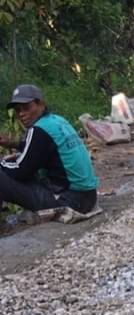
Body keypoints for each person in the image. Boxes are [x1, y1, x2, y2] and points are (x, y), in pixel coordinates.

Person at [0, 84, 98, 218]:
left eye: (27, 108)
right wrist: (11, 143)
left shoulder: (38, 130)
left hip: (70, 201)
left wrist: (2, 163)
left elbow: (20, 172)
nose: (22, 114)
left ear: (41, 104)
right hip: (89, 197)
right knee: (17, 163)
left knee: (6, 170)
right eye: (18, 110)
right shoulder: (57, 121)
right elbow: (38, 148)